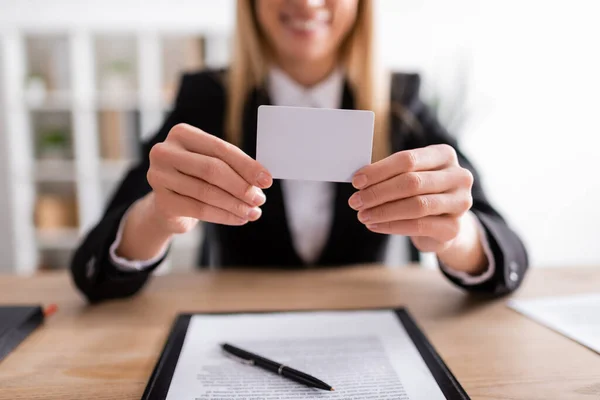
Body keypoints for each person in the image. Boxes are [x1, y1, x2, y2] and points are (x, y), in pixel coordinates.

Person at [71, 0, 528, 303]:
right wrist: (158, 216)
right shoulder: (206, 98)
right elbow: (92, 272)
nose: (307, 2)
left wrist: (455, 234)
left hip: (366, 331)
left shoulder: (401, 100)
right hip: (239, 328)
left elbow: (508, 257)